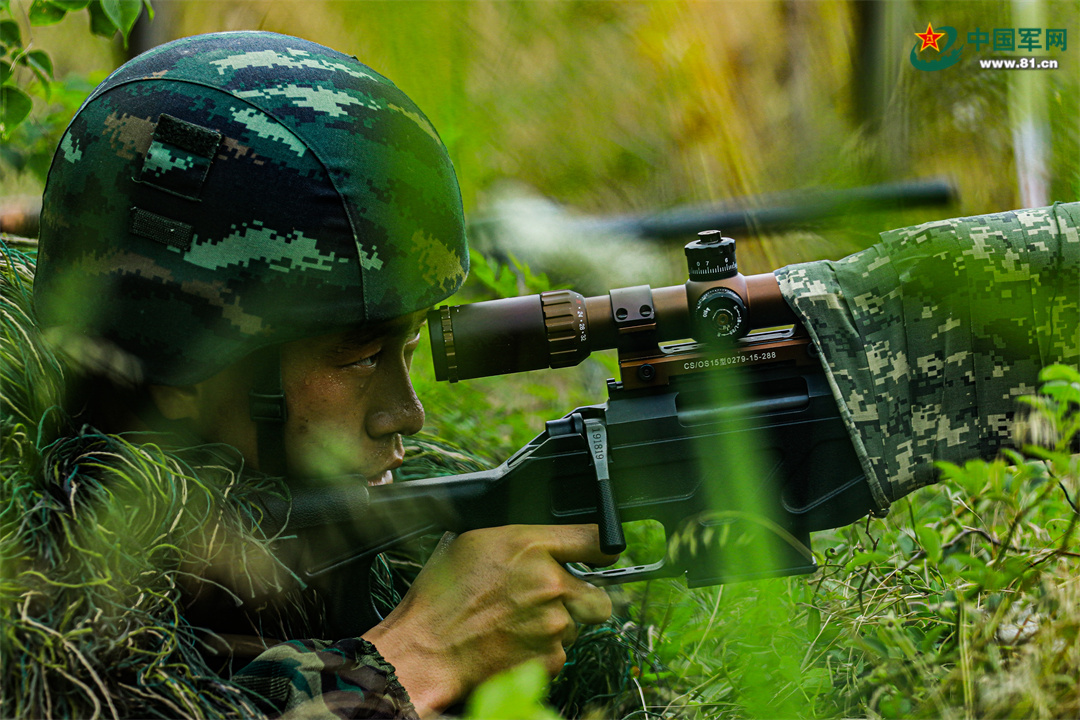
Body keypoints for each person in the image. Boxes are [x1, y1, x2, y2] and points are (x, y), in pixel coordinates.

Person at [12, 30, 615, 719]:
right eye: (360, 358)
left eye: (409, 346)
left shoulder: (345, 549)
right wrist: (421, 656)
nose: (407, 413)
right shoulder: (35, 607)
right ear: (178, 371)